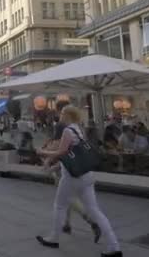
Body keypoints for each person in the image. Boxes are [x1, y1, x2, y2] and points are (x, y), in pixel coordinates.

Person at [35, 106, 122, 257]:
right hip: (86, 176)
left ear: (68, 115)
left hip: (72, 177)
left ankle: (54, 238)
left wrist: (43, 152)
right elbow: (72, 156)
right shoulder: (78, 129)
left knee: (59, 205)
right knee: (95, 210)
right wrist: (53, 166)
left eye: (62, 113)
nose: (60, 115)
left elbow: (61, 152)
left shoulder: (68, 130)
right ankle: (114, 246)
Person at [42, 102, 101, 243]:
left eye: (60, 111)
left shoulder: (62, 125)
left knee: (65, 197)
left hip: (65, 164)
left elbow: (59, 146)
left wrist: (47, 157)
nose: (59, 114)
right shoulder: (76, 126)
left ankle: (90, 220)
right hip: (74, 165)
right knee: (66, 196)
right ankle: (67, 224)